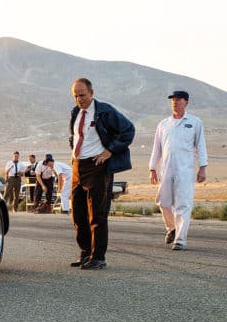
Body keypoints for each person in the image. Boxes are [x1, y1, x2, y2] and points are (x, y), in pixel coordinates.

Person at [68, 78, 134, 270]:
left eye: (82, 95)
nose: (79, 99)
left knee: (97, 213)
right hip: (77, 167)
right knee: (78, 214)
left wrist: (110, 151)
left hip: (97, 167)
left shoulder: (105, 111)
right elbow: (76, 137)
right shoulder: (75, 112)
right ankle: (85, 253)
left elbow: (128, 130)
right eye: (75, 96)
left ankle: (98, 257)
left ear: (91, 93)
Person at [149, 90, 208, 251]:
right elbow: (157, 148)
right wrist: (152, 168)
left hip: (185, 170)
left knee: (183, 204)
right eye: (173, 100)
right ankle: (172, 228)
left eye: (178, 100)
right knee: (163, 202)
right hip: (166, 168)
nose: (175, 102)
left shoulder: (195, 122)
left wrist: (203, 167)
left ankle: (180, 240)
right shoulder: (163, 124)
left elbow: (201, 146)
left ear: (186, 102)